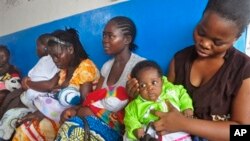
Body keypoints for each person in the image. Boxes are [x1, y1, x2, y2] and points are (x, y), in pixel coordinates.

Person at [126, 0, 250, 140]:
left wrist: (185, 124)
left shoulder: (243, 69)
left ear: (236, 38)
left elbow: (243, 132)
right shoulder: (179, 60)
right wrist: (138, 94)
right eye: (201, 32)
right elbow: (160, 99)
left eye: (217, 42)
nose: (205, 44)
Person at [56, 16, 145, 141]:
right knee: (70, 125)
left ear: (127, 39)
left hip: (124, 125)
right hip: (97, 119)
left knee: (76, 128)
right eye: (104, 35)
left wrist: (133, 96)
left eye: (110, 36)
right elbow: (94, 99)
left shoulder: (140, 66)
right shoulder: (107, 67)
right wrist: (74, 109)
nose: (104, 40)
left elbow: (145, 103)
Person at [12, 28, 100, 141]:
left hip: (75, 116)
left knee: (28, 131)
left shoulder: (85, 67)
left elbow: (85, 102)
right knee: (25, 128)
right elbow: (52, 88)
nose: (55, 60)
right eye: (52, 56)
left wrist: (45, 113)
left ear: (70, 49)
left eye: (57, 55)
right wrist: (41, 112)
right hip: (59, 114)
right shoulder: (64, 71)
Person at [0, 33, 59, 140]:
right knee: (10, 107)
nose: (36, 49)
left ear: (45, 47)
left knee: (10, 112)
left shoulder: (53, 61)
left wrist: (28, 83)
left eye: (38, 46)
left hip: (34, 101)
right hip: (28, 97)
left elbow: (49, 85)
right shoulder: (45, 61)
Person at [123, 60, 193, 141]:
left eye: (154, 82)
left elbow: (182, 93)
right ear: (137, 87)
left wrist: (187, 107)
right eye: (143, 85)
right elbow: (129, 118)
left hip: (176, 129)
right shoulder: (136, 104)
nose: (150, 88)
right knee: (128, 136)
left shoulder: (171, 90)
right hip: (152, 134)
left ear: (162, 81)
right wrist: (135, 129)